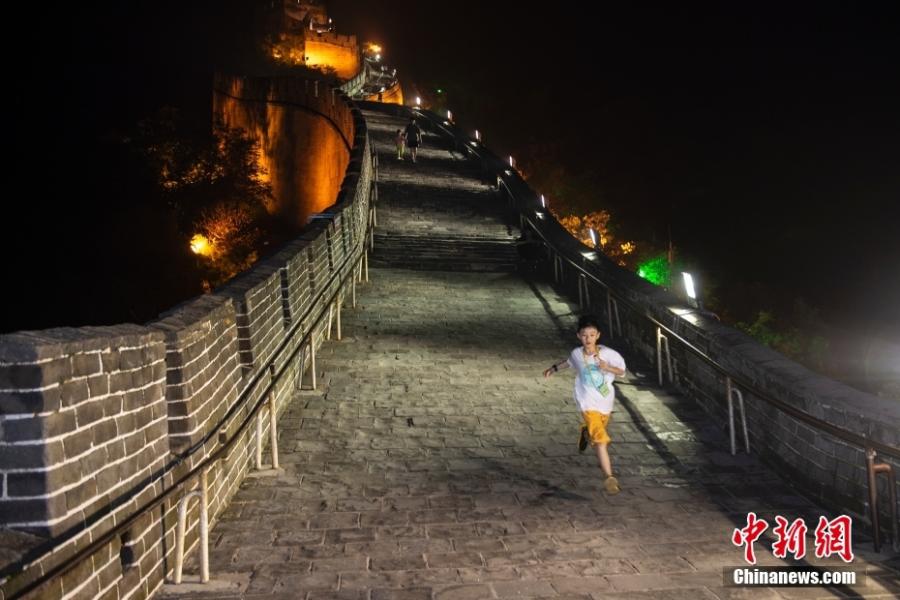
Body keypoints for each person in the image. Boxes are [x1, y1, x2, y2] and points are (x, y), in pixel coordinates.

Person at [543, 315, 627, 495]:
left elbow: (622, 372)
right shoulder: (577, 353)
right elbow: (569, 362)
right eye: (584, 335)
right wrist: (553, 369)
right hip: (587, 402)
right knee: (601, 440)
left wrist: (607, 368)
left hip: (605, 402)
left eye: (591, 335)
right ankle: (609, 478)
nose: (588, 339)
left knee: (597, 431)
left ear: (598, 335)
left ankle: (585, 431)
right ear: (578, 336)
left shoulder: (609, 354)